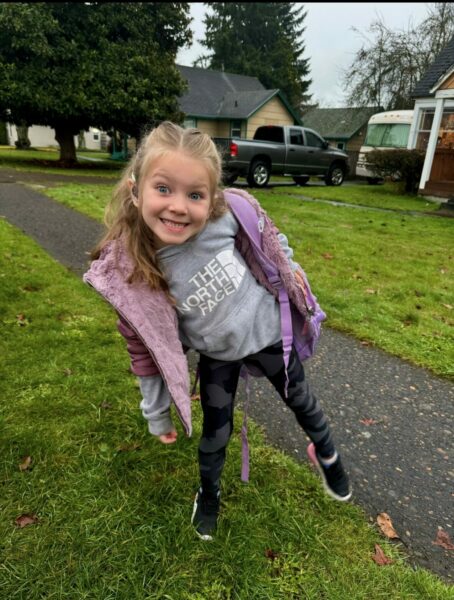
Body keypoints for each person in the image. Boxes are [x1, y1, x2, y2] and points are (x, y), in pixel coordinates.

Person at [84, 121, 351, 541]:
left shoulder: (227, 219)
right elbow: (143, 349)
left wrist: (292, 272)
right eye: (163, 189)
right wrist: (156, 415)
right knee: (216, 432)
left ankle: (328, 453)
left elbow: (271, 243)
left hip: (268, 337)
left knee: (302, 399)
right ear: (135, 191)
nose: (178, 206)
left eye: (195, 195)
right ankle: (208, 493)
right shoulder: (133, 271)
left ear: (212, 199)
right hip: (218, 357)